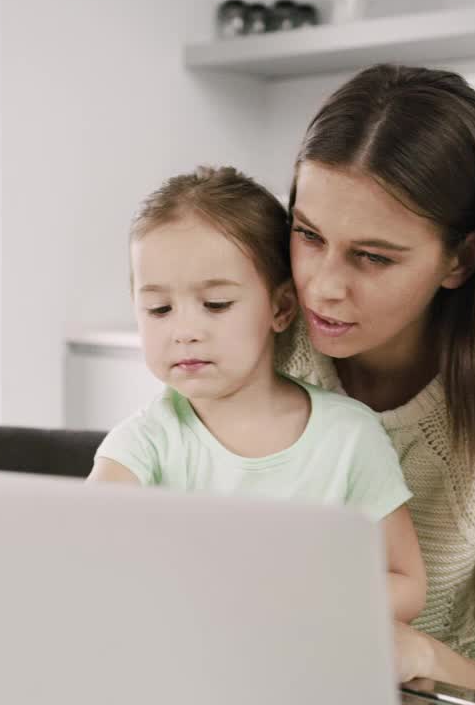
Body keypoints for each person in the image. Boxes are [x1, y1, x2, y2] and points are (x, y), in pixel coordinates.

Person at [278, 63, 475, 705]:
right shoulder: (258, 349)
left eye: (372, 256)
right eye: (308, 235)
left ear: (461, 259)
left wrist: (426, 657)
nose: (323, 285)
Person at [87, 165, 427, 625]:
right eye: (159, 309)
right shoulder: (139, 446)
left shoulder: (349, 436)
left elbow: (405, 584)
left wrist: (301, 608)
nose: (184, 331)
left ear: (281, 308)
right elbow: (86, 561)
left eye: (216, 305)